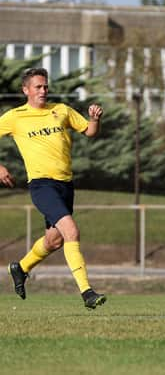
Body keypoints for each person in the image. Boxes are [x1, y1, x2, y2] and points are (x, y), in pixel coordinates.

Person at [0, 67, 106, 309]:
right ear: (25, 90)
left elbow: (89, 132)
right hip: (41, 185)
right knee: (71, 232)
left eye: (45, 86)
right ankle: (87, 292)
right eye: (38, 87)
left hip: (66, 185)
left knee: (54, 241)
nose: (43, 90)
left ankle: (21, 267)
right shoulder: (15, 117)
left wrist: (94, 119)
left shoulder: (61, 110)